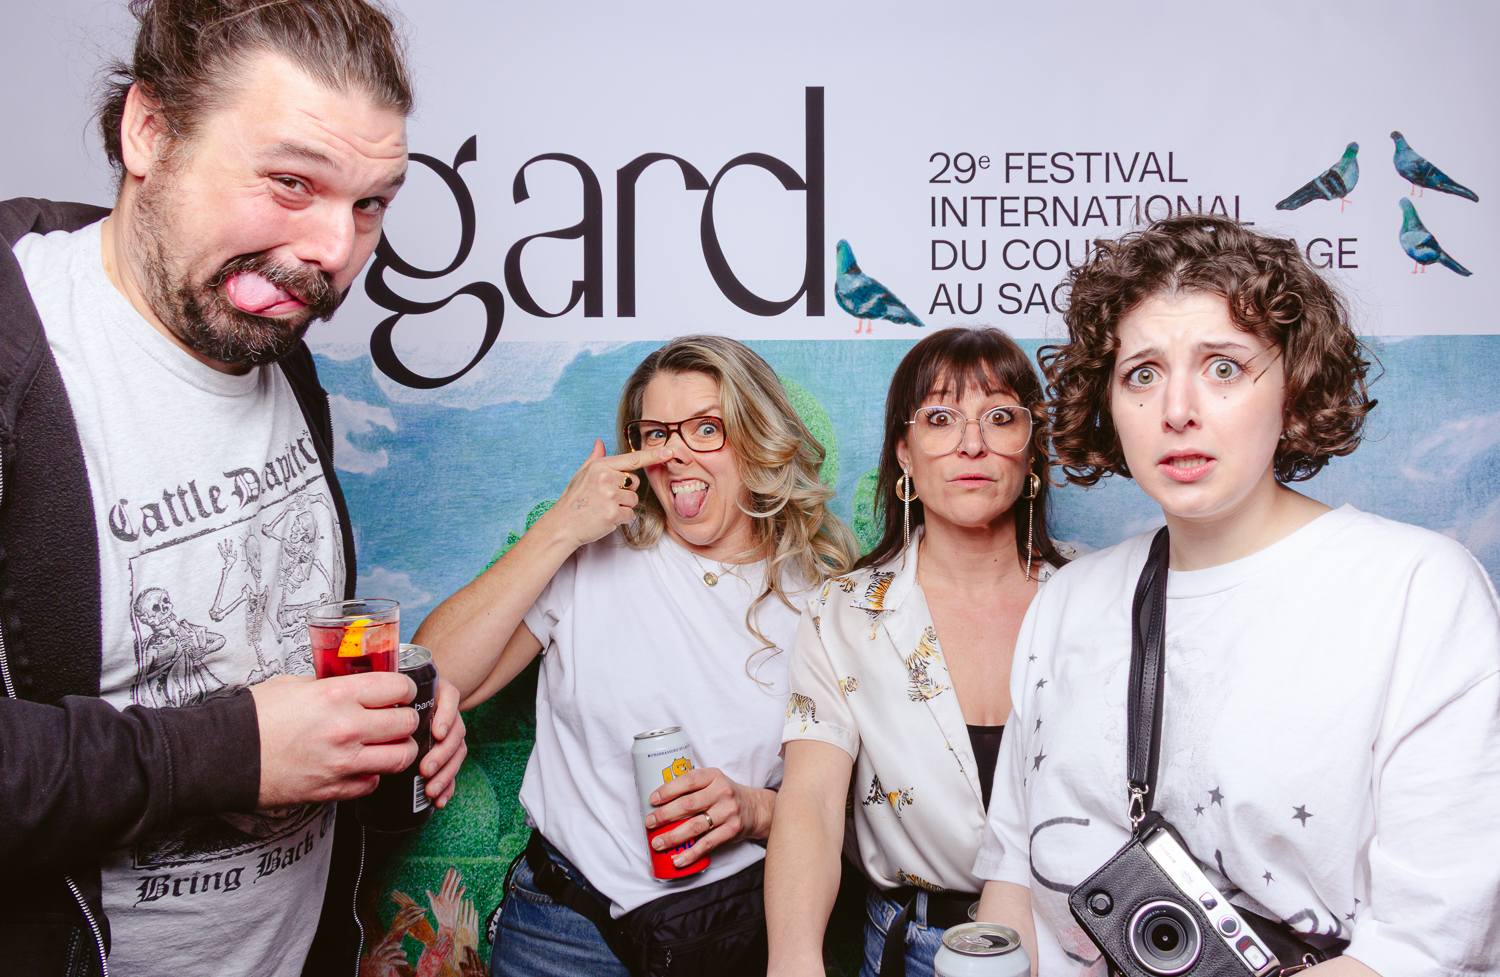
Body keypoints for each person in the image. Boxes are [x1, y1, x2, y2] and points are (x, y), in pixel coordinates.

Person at [0, 2, 470, 975]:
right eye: (292, 182)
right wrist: (233, 751)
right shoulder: (24, 353)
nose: (335, 249)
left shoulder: (267, 338)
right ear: (149, 131)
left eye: (370, 204)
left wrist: (382, 732)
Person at [974, 215, 1500, 976]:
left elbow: (1429, 942)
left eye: (1223, 367)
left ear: (1295, 388)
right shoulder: (1068, 601)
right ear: (1107, 401)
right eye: (1142, 373)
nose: (1177, 409)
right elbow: (1012, 876)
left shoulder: (1419, 591)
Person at [414, 335, 859, 976]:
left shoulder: (823, 602)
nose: (674, 454)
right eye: (656, 433)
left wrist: (755, 810)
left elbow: (855, 808)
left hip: (731, 927)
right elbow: (434, 677)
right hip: (562, 928)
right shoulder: (592, 554)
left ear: (758, 438)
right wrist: (560, 527)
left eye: (706, 428)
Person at [765, 327, 1076, 977]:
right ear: (904, 452)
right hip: (917, 948)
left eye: (1000, 417)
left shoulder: (1099, 598)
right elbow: (812, 802)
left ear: (1032, 448)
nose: (972, 443)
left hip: (1084, 939)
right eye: (940, 418)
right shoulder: (843, 612)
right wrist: (793, 959)